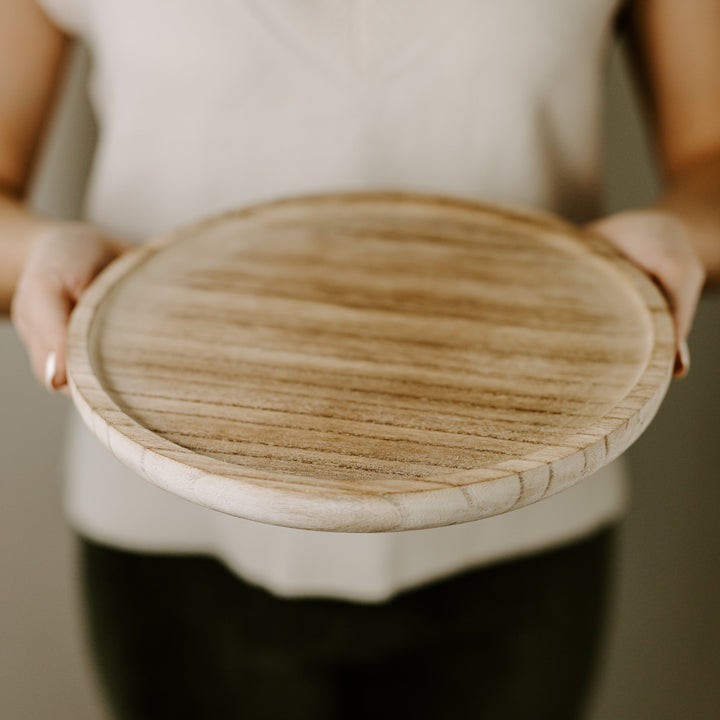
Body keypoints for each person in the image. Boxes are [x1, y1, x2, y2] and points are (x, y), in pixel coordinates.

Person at [1, 1, 718, 718]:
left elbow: (709, 158)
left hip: (526, 515)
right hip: (175, 525)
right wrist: (36, 255)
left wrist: (682, 234)